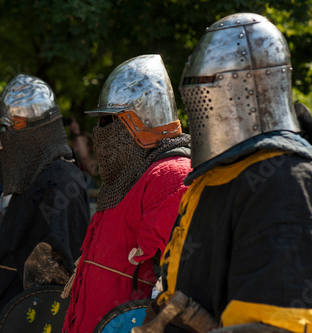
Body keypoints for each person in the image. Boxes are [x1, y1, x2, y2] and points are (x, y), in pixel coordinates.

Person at [147, 13, 312, 333]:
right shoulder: (213, 177)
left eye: (207, 84)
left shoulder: (284, 179)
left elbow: (273, 324)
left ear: (253, 89)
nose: (196, 97)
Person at [62, 54, 192, 333]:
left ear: (133, 122)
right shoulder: (124, 178)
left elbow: (173, 294)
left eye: (108, 121)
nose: (99, 132)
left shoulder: (171, 176)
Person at [0, 74, 89, 333]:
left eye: (9, 128)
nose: (4, 139)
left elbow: (57, 280)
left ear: (29, 131)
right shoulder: (33, 178)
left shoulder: (60, 181)